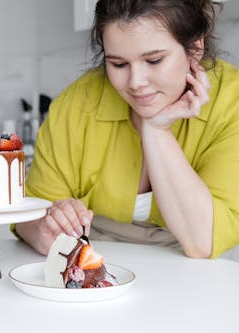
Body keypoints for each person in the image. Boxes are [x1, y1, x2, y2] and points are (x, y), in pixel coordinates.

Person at [13, 0, 239, 259]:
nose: (136, 83)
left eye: (154, 60)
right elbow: (28, 217)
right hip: (94, 265)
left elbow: (202, 242)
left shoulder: (232, 103)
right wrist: (48, 227)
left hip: (200, 272)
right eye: (119, 64)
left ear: (195, 49)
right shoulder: (77, 103)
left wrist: (156, 130)